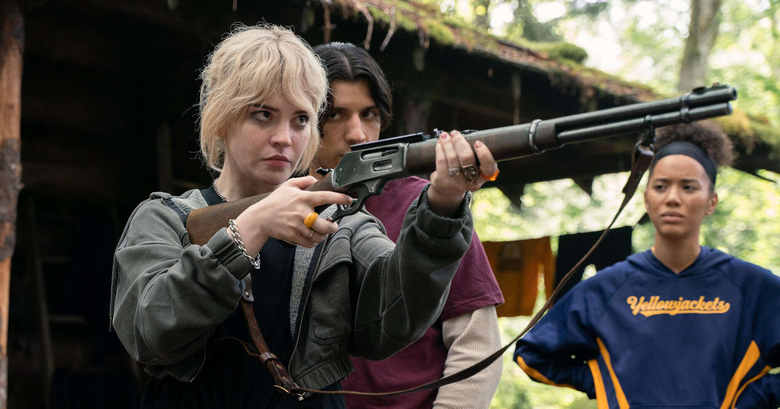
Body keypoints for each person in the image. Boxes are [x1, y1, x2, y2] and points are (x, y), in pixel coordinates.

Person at [109, 24, 499, 409]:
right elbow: (150, 333)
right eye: (263, 115)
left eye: (300, 119)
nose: (285, 137)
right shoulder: (165, 218)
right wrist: (253, 227)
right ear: (221, 118)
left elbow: (392, 320)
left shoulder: (343, 225)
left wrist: (442, 206)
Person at [514, 121, 780, 408]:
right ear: (647, 199)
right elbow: (532, 354)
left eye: (689, 187)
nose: (673, 198)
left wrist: (754, 396)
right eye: (661, 186)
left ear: (711, 201)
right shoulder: (607, 288)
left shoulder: (752, 287)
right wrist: (605, 383)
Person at [311, 42, 504, 409]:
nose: (357, 133)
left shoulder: (434, 205)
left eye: (369, 114)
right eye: (335, 115)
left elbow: (476, 343)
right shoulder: (278, 205)